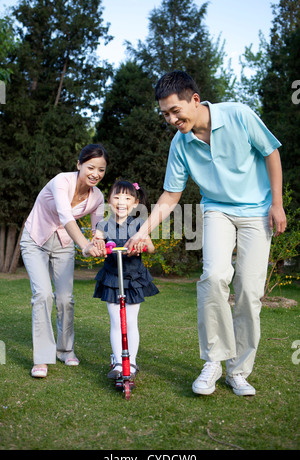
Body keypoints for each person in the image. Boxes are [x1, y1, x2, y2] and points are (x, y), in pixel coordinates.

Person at [126, 70, 287, 396]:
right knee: (213, 277)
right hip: (216, 210)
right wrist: (142, 231)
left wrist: (277, 204)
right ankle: (214, 360)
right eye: (165, 114)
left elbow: (271, 152)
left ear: (195, 100)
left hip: (257, 212)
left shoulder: (238, 115)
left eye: (175, 111)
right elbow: (170, 196)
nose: (171, 119)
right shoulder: (181, 144)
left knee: (249, 293)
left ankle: (238, 371)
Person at [20, 143, 109, 378]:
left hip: (63, 244)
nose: (96, 174)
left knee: (65, 299)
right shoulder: (62, 181)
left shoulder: (97, 197)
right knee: (43, 294)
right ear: (78, 165)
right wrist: (85, 246)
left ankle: (65, 349)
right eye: (91, 167)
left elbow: (97, 226)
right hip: (35, 239)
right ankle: (42, 358)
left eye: (101, 170)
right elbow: (65, 216)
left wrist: (98, 240)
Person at [93, 180, 159, 380]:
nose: (121, 201)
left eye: (127, 198)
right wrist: (98, 247)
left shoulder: (139, 225)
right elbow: (96, 242)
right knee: (116, 321)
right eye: (117, 197)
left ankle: (132, 361)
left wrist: (142, 246)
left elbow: (151, 247)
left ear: (136, 202)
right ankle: (119, 363)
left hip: (133, 278)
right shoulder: (103, 225)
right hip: (113, 278)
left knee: (130, 321)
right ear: (109, 200)